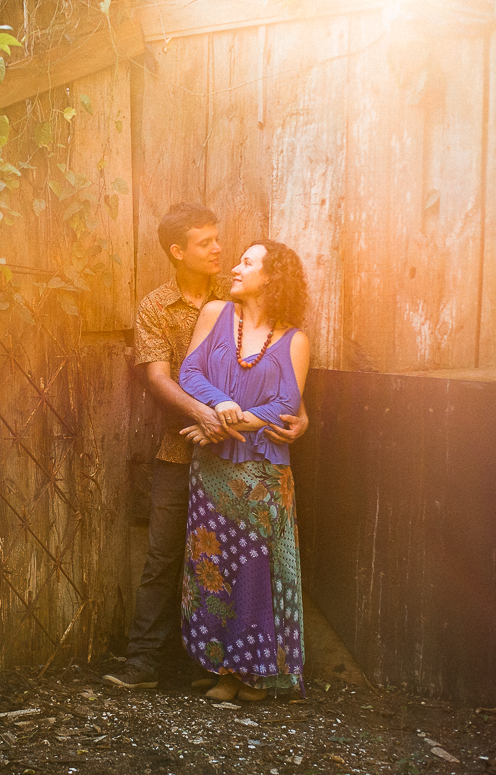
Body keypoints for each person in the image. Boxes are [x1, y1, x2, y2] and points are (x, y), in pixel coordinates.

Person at [103, 207, 307, 690]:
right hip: (185, 449)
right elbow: (160, 378)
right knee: (167, 556)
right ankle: (145, 663)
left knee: (244, 561)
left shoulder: (238, 296)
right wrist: (207, 414)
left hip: (246, 454)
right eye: (206, 243)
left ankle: (230, 669)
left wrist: (299, 419)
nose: (220, 251)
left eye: (221, 241)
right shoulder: (157, 306)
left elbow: (285, 382)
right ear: (178, 252)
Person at [177, 240, 310, 701]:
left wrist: (230, 423)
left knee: (256, 571)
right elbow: (189, 373)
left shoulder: (295, 340)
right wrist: (222, 404)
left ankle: (256, 674)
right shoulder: (216, 314)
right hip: (212, 472)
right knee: (212, 566)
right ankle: (223, 671)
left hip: (262, 477)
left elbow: (287, 405)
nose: (235, 267)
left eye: (248, 263)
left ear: (272, 277)